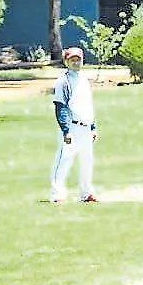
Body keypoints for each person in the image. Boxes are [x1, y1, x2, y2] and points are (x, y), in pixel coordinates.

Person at [50, 46, 98, 203]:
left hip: (85, 126)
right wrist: (66, 130)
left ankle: (86, 192)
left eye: (78, 60)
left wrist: (92, 127)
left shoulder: (84, 79)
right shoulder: (63, 82)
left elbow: (87, 105)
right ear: (66, 62)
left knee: (86, 162)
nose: (76, 63)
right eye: (72, 60)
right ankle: (57, 193)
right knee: (64, 160)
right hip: (72, 126)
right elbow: (61, 106)